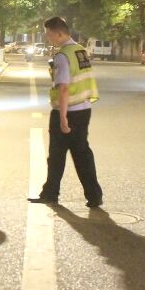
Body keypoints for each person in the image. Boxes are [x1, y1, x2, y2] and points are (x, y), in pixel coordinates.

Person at [29, 16, 104, 208]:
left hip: (68, 111)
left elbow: (63, 88)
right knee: (82, 154)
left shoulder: (63, 56)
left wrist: (62, 118)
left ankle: (51, 194)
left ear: (59, 33)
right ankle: (94, 195)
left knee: (57, 155)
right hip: (84, 109)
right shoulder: (80, 51)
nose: (48, 38)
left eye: (49, 35)